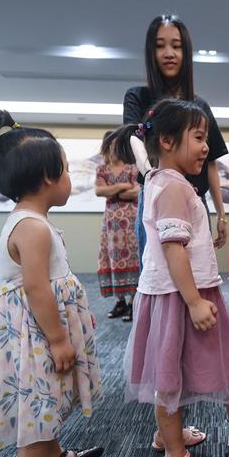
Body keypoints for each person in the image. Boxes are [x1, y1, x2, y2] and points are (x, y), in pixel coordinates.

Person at [123, 98, 229, 457]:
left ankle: (168, 435)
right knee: (169, 377)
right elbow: (172, 248)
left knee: (174, 369)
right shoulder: (172, 187)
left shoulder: (169, 183)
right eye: (199, 138)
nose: (206, 147)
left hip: (180, 293)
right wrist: (195, 300)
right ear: (166, 140)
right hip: (178, 297)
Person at [0, 111, 103, 457]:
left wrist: (77, 322)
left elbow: (54, 285)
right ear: (49, 176)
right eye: (67, 169)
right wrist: (58, 338)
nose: (70, 177)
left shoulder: (32, 221)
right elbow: (36, 288)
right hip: (36, 337)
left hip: (40, 331)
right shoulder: (32, 227)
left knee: (47, 401)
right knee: (34, 418)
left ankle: (54, 454)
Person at [124, 14, 229, 260]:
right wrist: (155, 180)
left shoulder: (199, 105)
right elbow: (133, 142)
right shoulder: (137, 97)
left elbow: (211, 162)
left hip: (194, 197)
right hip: (155, 196)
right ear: (151, 52)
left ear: (187, 52)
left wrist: (221, 214)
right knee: (155, 271)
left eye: (176, 46)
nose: (169, 52)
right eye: (160, 46)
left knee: (198, 270)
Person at [95, 127, 141, 322]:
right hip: (111, 225)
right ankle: (120, 301)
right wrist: (122, 187)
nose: (113, 148)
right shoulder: (102, 169)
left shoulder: (132, 166)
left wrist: (112, 191)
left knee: (133, 258)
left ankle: (133, 303)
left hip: (131, 222)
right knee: (112, 259)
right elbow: (98, 191)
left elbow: (137, 191)